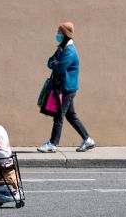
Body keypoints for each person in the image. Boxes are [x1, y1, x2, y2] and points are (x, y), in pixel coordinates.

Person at [37, 22, 95, 153]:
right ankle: (87, 139)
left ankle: (53, 144)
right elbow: (50, 61)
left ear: (65, 35)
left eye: (59, 32)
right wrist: (54, 62)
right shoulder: (62, 48)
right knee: (71, 115)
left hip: (67, 89)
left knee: (59, 115)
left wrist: (55, 63)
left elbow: (58, 67)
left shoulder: (69, 51)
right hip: (64, 87)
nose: (57, 34)